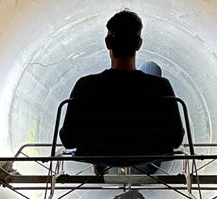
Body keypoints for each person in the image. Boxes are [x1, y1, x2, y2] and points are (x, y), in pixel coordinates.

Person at [59, 10, 185, 172]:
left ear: (107, 43)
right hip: (148, 153)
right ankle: (144, 164)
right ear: (139, 44)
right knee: (151, 69)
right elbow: (175, 139)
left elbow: (69, 140)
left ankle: (102, 163)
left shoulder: (85, 86)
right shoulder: (161, 87)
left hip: (98, 152)